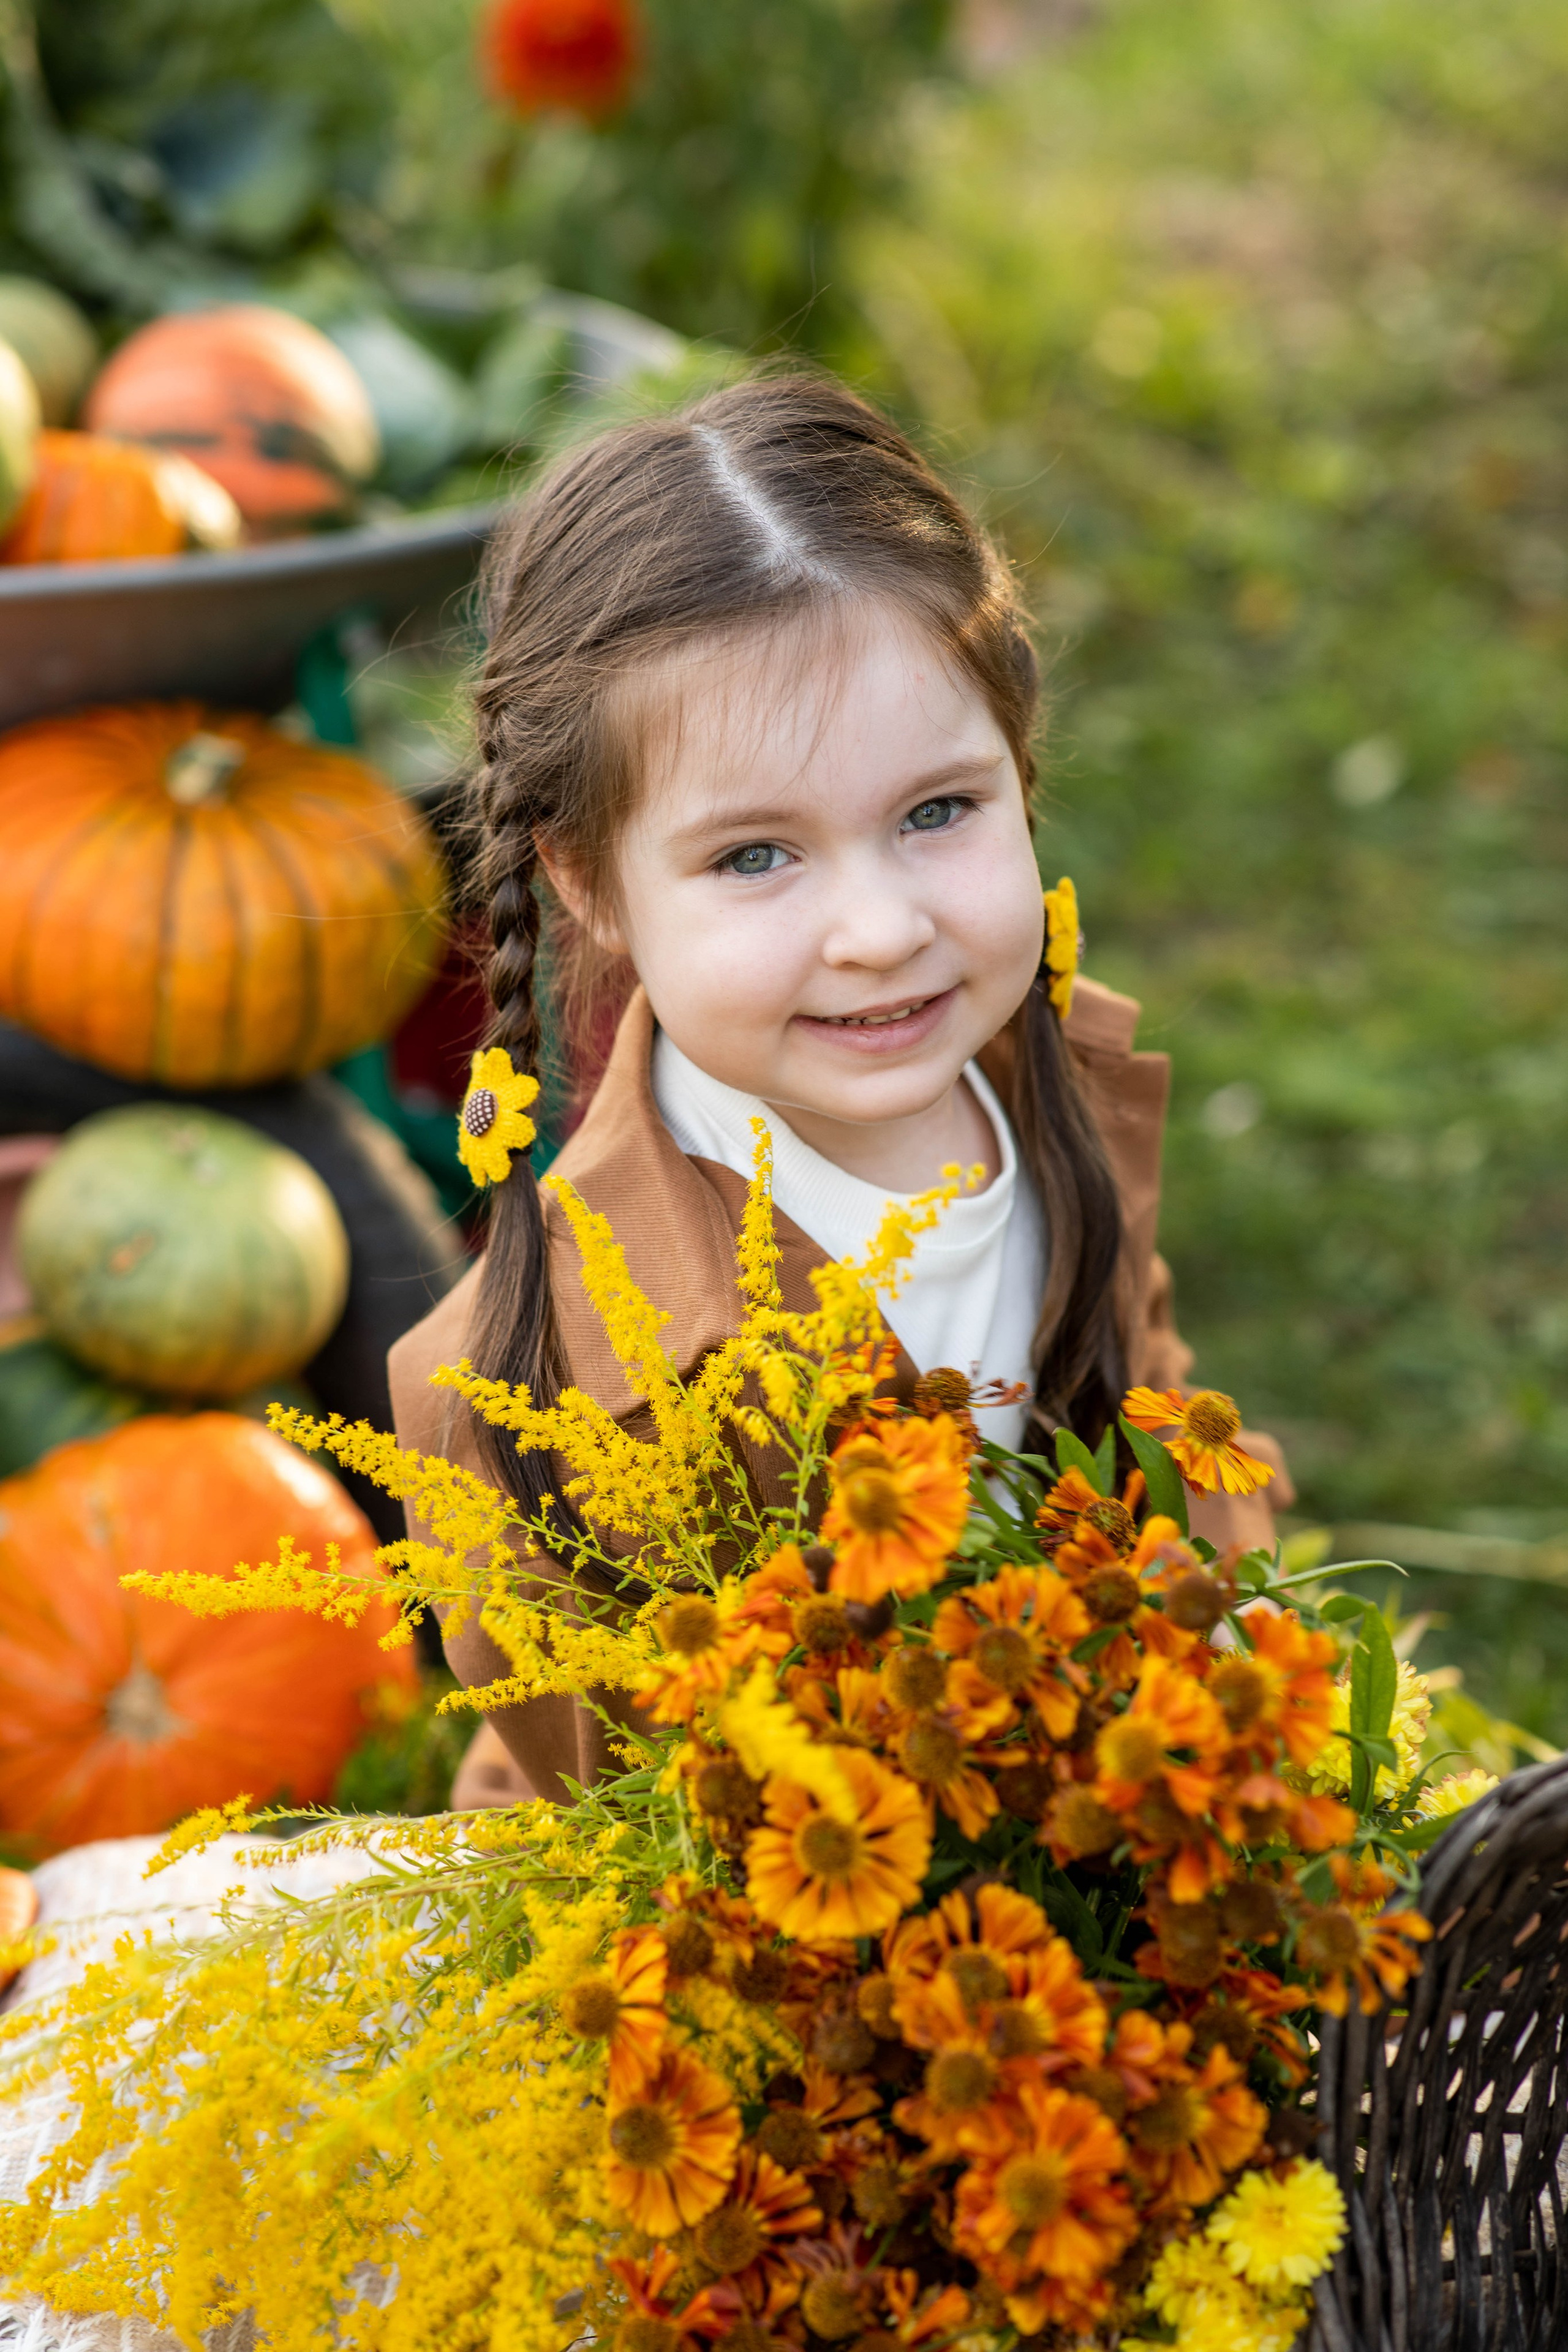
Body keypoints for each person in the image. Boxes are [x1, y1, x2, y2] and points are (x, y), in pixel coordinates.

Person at [389, 374, 1291, 1808]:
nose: (876, 930)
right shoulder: (567, 1384)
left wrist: (1222, 1643)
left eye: (935, 813)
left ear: (1018, 767)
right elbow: (670, 1849)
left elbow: (1159, 1403)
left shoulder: (1054, 1092)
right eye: (755, 856)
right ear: (584, 878)